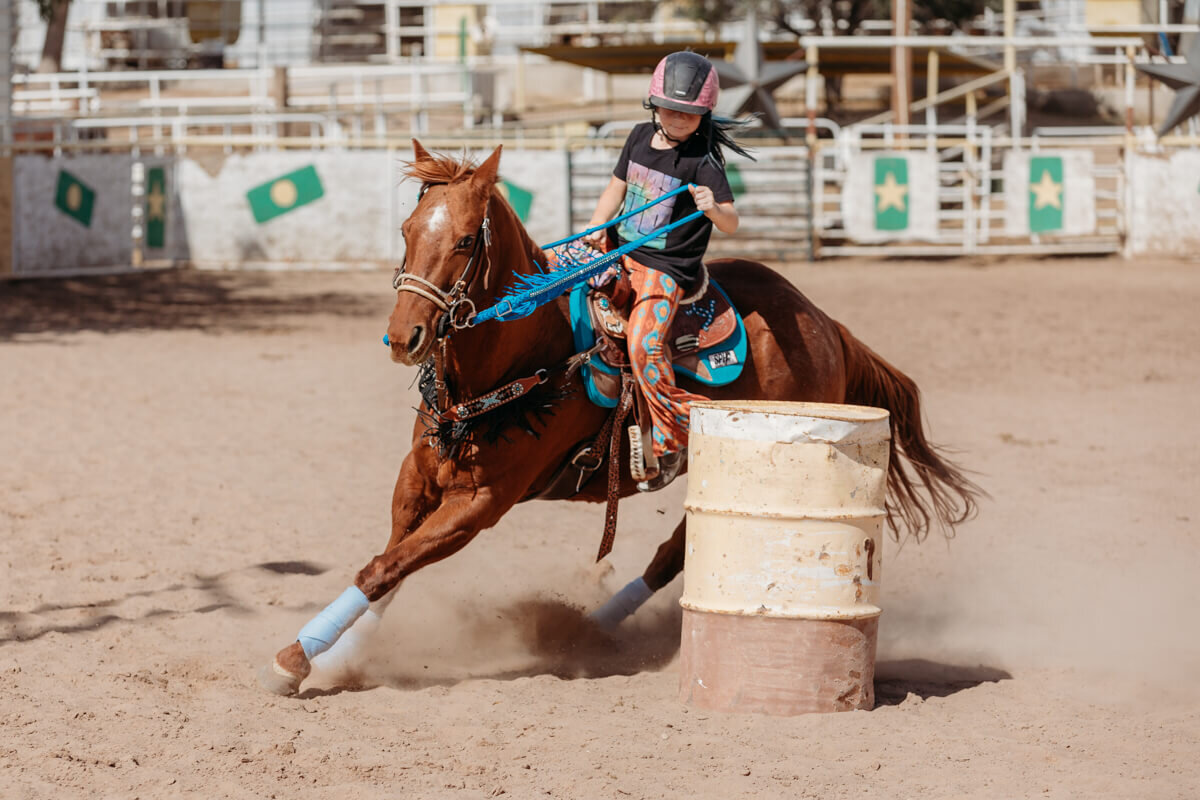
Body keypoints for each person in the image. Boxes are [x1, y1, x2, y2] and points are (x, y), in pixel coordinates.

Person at [583, 50, 751, 491]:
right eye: (671, 109)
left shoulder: (704, 162)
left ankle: (672, 436)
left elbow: (731, 224)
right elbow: (614, 190)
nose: (678, 119)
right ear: (654, 105)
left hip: (665, 270)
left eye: (690, 113)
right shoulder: (638, 138)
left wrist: (714, 208)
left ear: (704, 113)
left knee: (643, 345)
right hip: (621, 252)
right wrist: (595, 229)